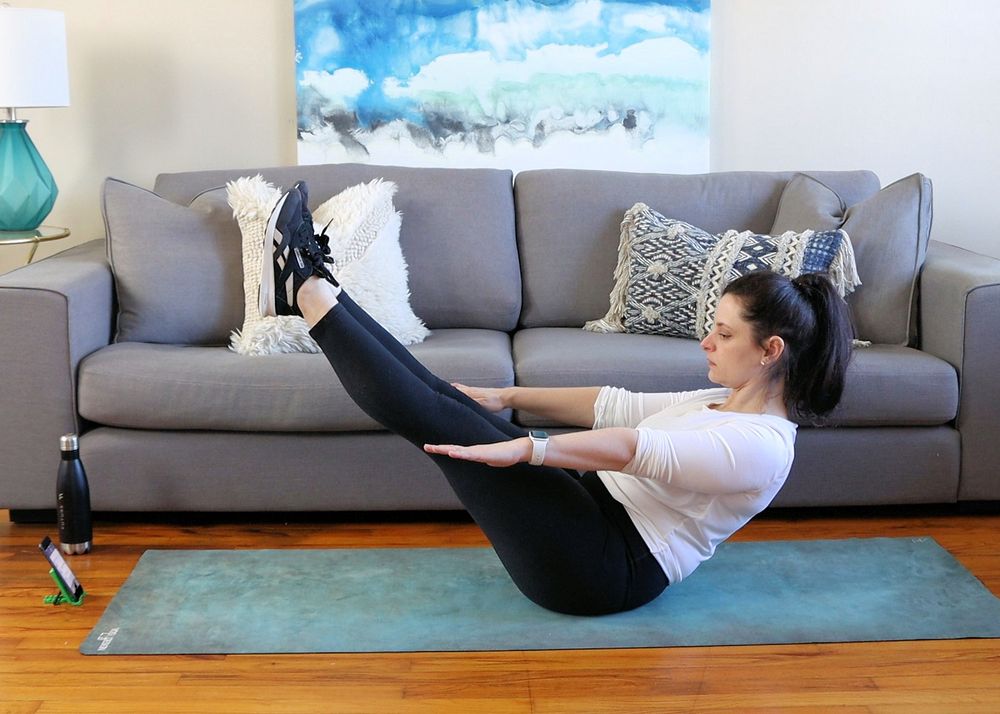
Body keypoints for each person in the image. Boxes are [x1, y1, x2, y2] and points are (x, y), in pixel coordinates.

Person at [263, 182, 856, 617]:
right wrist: (507, 396)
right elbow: (616, 406)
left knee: (440, 421)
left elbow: (632, 449)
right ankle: (316, 288)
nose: (707, 342)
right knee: (454, 400)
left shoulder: (762, 447)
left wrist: (528, 449)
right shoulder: (719, 401)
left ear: (770, 349)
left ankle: (306, 289)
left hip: (602, 568)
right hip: (593, 514)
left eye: (724, 334)